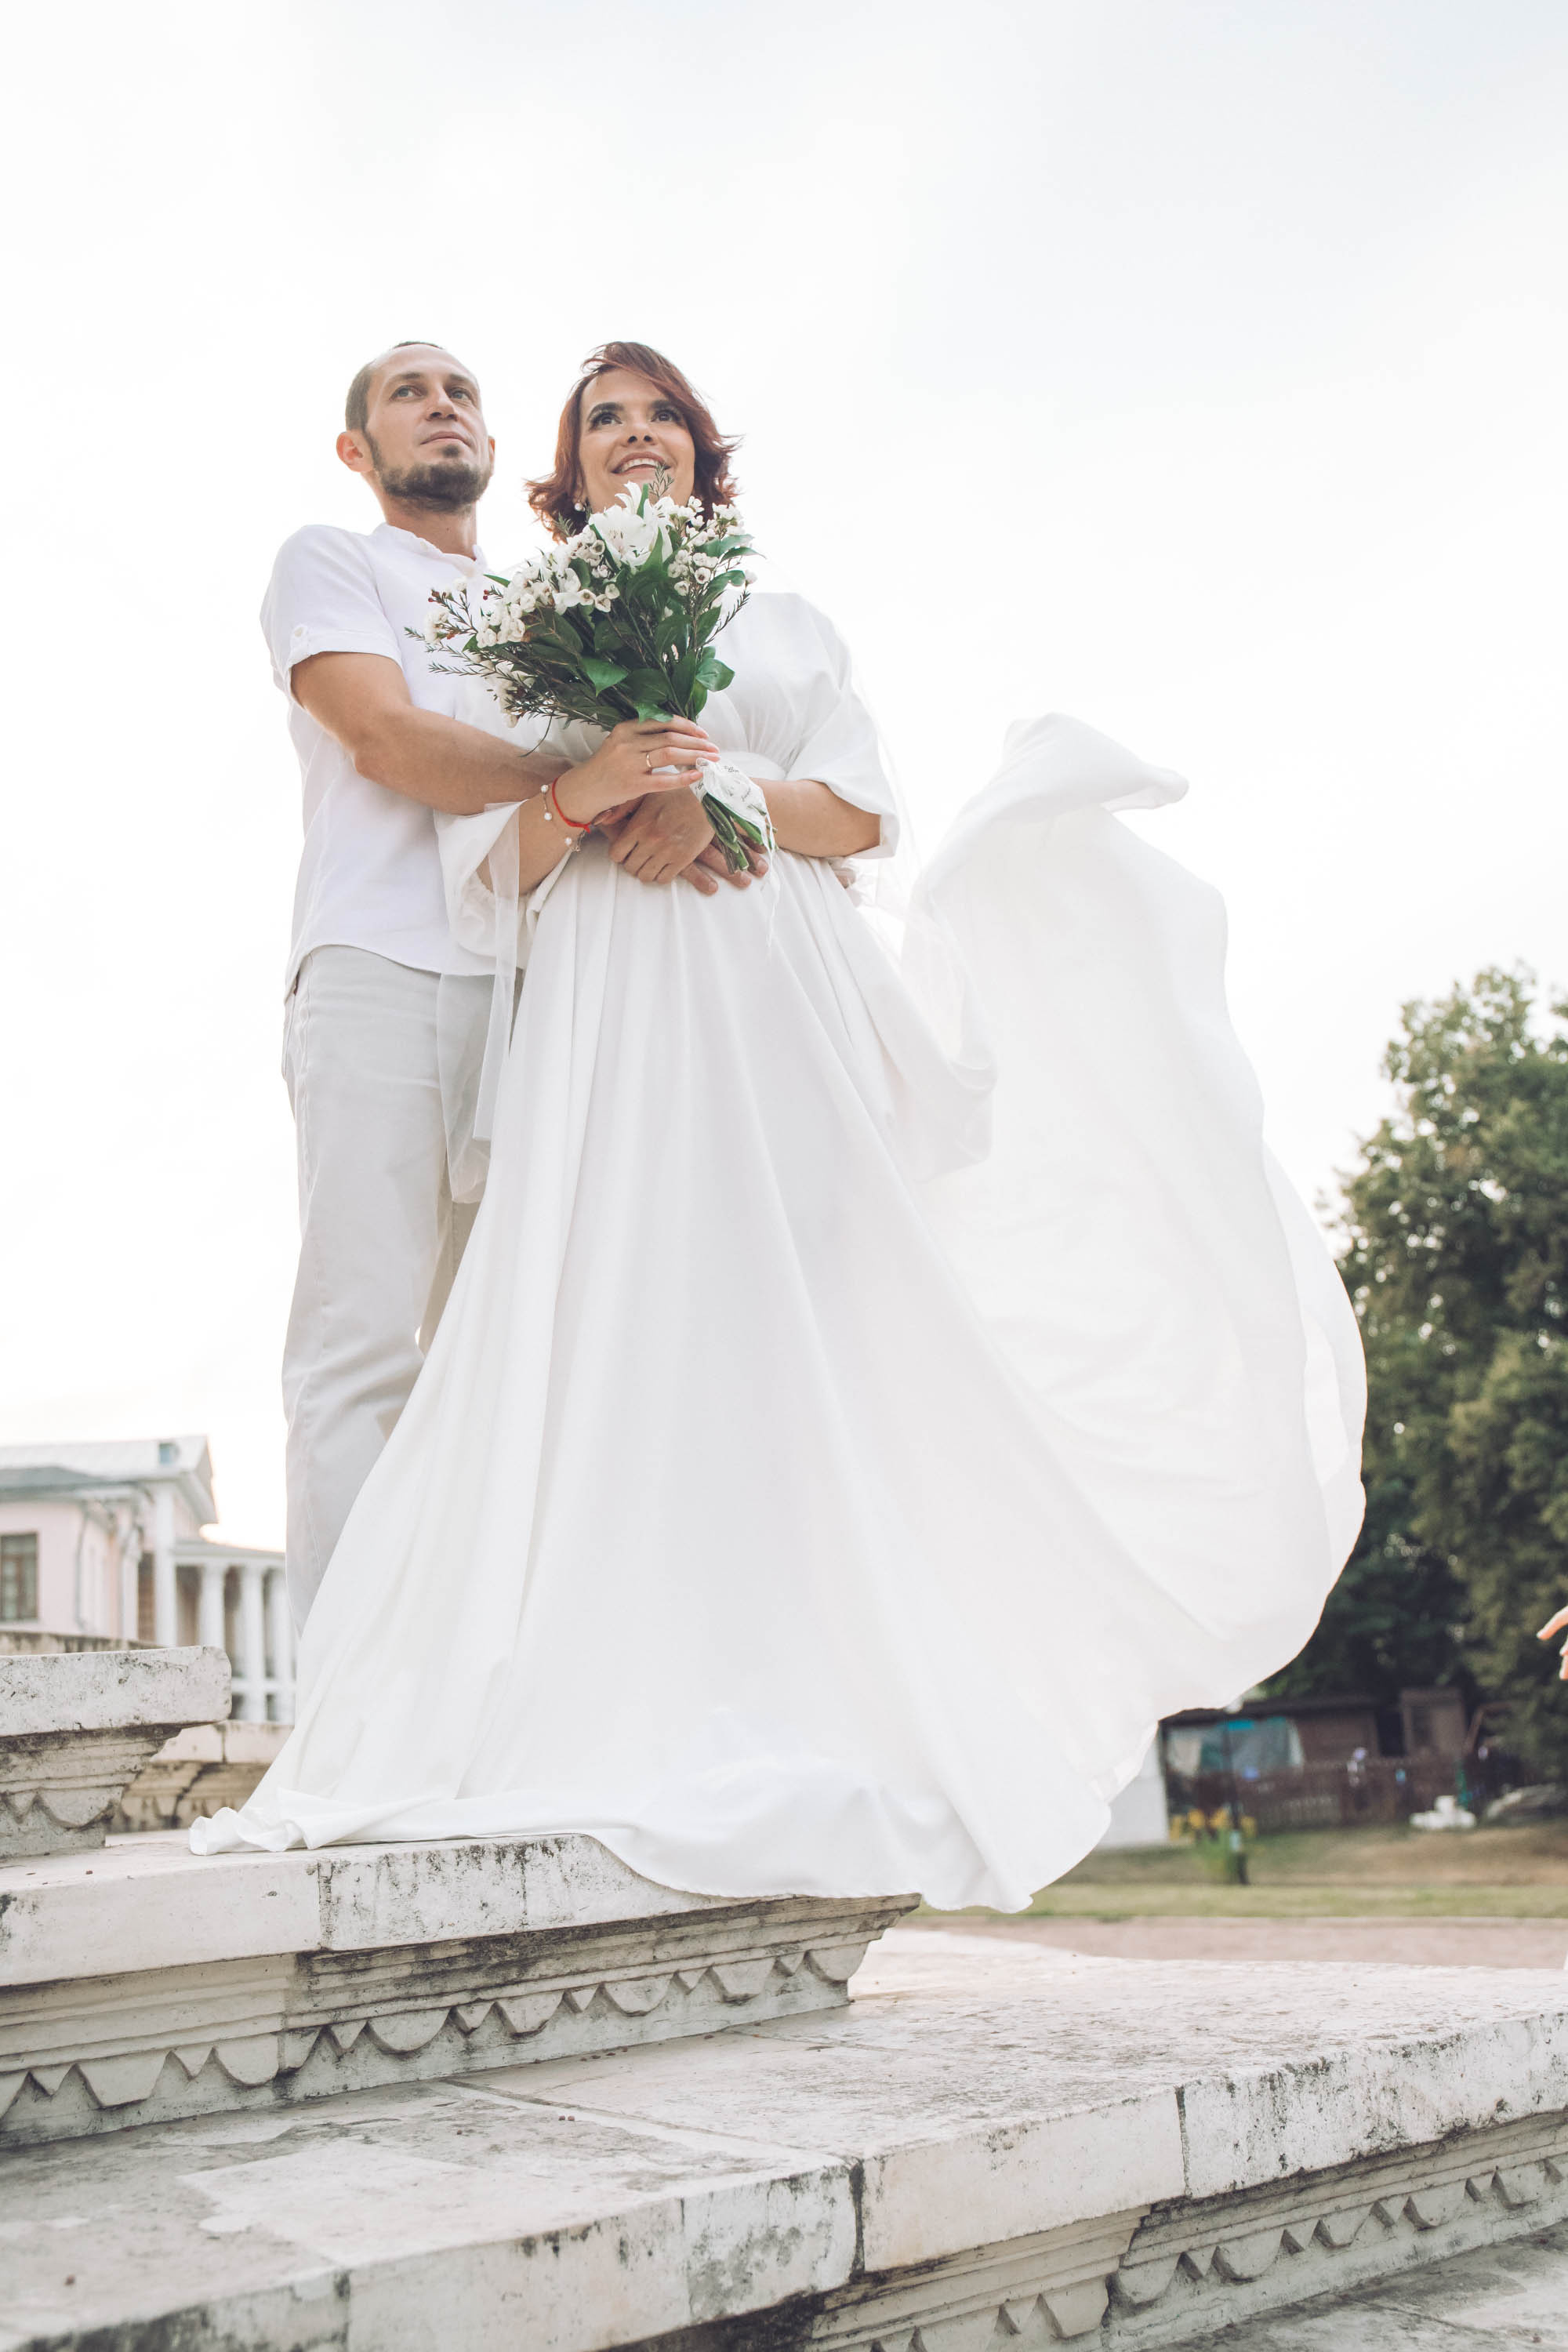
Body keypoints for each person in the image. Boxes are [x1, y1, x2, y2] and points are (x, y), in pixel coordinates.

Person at [195, 343, 1367, 1911]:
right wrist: (602, 788)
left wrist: (718, 795)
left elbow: (862, 809)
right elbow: (452, 799)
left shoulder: (783, 624)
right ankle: (368, 1701)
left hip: (754, 990)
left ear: (700, 447)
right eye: (599, 417)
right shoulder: (495, 616)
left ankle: (786, 1668)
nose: (631, 436)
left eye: (655, 414)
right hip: (565, 998)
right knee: (513, 1345)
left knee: (768, 1315)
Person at [267, 342, 745, 1626]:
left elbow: (651, 769)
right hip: (380, 970)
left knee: (512, 1359)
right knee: (361, 1348)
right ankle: (347, 1701)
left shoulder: (556, 608)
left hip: (544, 991)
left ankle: (477, 1690)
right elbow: (387, 740)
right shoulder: (335, 562)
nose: (444, 408)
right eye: (411, 394)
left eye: (463, 391)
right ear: (359, 451)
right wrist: (581, 785)